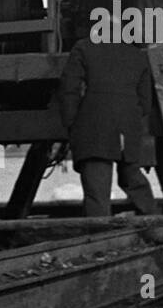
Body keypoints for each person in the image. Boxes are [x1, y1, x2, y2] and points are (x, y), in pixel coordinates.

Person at [59, 33, 157, 218]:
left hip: (93, 126)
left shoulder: (83, 48)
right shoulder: (137, 54)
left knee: (97, 191)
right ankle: (153, 221)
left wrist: (71, 122)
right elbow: (145, 102)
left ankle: (101, 236)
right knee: (132, 177)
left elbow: (69, 88)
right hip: (127, 127)